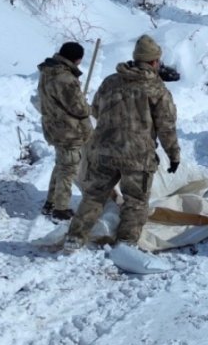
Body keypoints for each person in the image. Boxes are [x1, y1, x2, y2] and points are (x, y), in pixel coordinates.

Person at [64, 34, 180, 251]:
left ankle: (75, 238)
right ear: (154, 62)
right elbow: (166, 126)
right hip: (137, 157)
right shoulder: (156, 88)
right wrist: (174, 155)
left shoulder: (110, 81)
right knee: (135, 201)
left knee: (94, 196)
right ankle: (125, 244)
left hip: (104, 152)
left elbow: (96, 110)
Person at [37, 41, 92, 220]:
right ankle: (61, 209)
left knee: (62, 164)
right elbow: (79, 109)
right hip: (68, 131)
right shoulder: (66, 79)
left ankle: (50, 202)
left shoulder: (47, 71)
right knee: (68, 169)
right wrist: (87, 106)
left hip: (53, 126)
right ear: (77, 59)